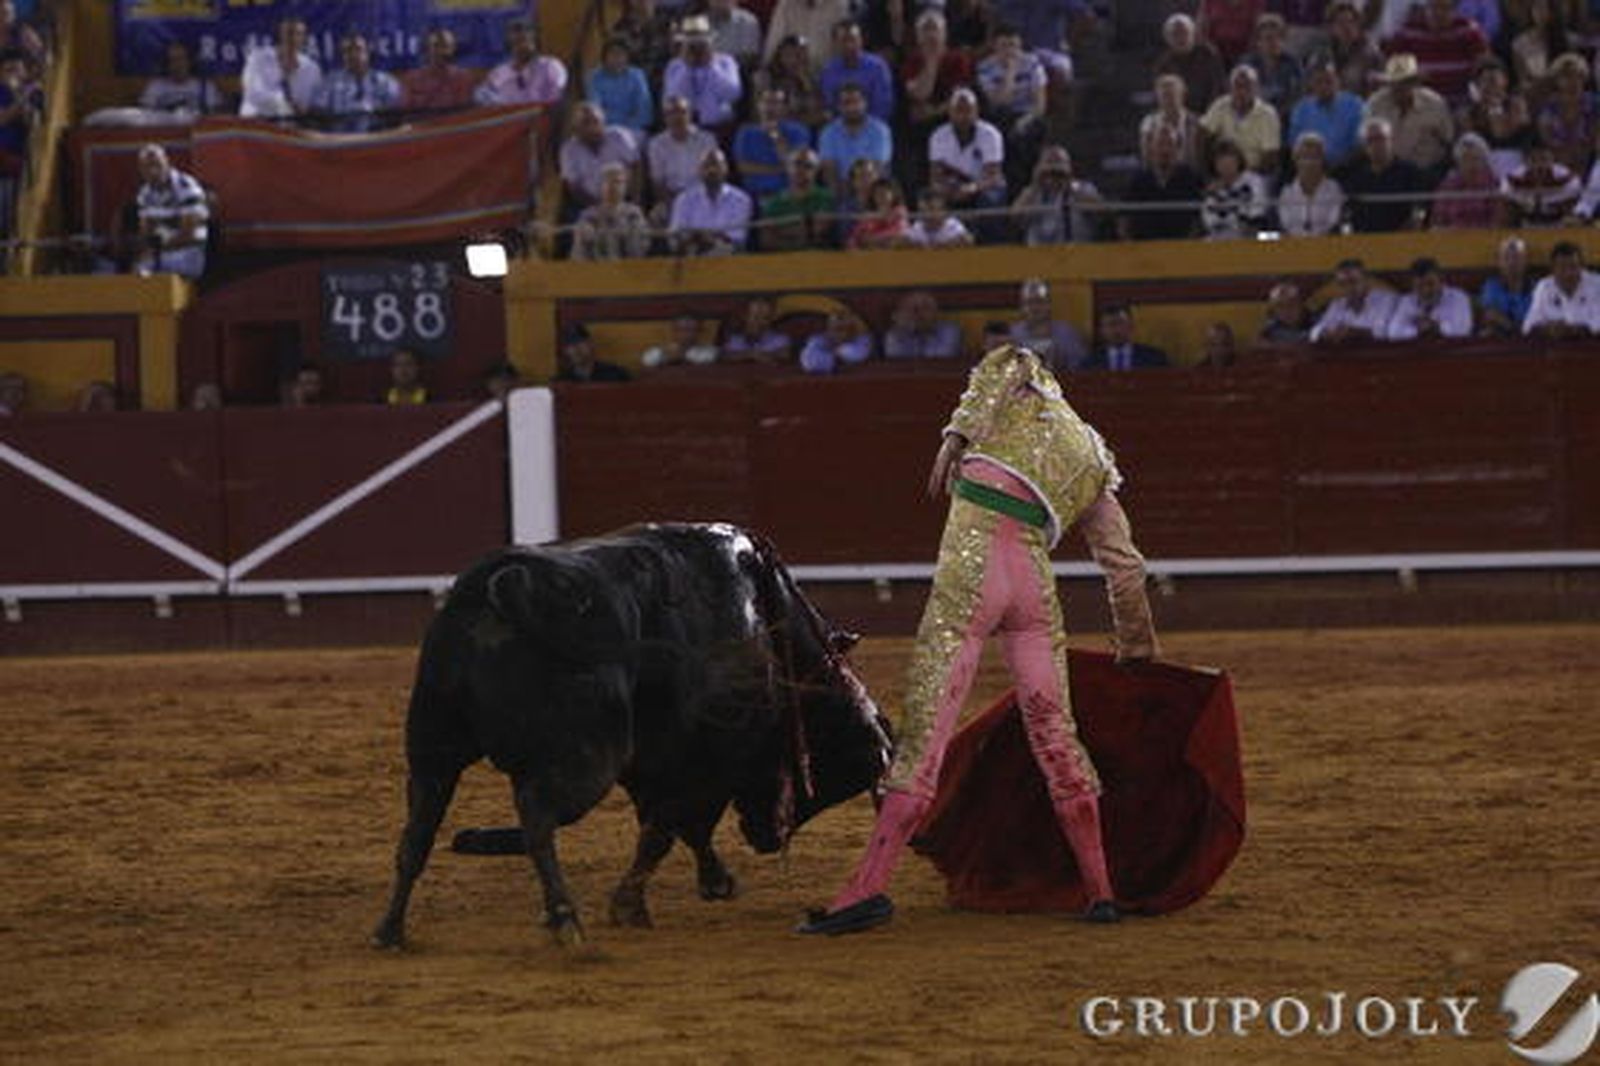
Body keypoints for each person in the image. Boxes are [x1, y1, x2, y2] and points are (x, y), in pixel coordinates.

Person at [797, 342, 1157, 935]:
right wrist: (1136, 645)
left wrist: (956, 435)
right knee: (1055, 734)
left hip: (973, 572)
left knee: (927, 736)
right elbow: (1126, 566)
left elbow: (1010, 357)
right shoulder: (1096, 459)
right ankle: (1100, 892)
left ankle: (865, 890)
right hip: (1035, 591)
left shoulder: (1025, 384)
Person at [1364, 53, 1454, 182]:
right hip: (1387, 173)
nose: (1399, 87)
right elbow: (1365, 141)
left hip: (1427, 173)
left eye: (1405, 82)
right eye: (1394, 82)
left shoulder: (1435, 104)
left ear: (1415, 83)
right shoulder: (1375, 105)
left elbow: (1448, 140)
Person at [133, 144, 208, 280]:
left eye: (157, 165)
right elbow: (146, 232)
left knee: (151, 272)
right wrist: (146, 251)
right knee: (138, 271)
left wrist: (155, 249)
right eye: (148, 166)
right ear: (141, 169)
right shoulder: (144, 193)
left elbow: (188, 234)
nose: (153, 171)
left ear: (167, 162)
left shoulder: (186, 186)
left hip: (188, 253)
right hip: (162, 251)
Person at [1118, 126, 1205, 241]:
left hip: (1182, 249)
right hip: (1144, 250)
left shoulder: (1190, 177)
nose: (1165, 150)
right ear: (1151, 147)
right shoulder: (1137, 180)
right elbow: (1123, 220)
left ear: (1178, 149)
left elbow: (1200, 219)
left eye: (1170, 144)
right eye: (1160, 144)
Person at [1341, 117, 1427, 232]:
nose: (1376, 144)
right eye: (1370, 140)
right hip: (1363, 243)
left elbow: (1420, 210)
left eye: (1380, 138)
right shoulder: (1356, 178)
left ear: (1391, 140)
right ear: (1364, 146)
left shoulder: (1410, 173)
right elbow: (1347, 214)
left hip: (1401, 242)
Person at [663, 15, 743, 133]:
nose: (697, 48)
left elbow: (733, 93)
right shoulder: (674, 66)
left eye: (701, 42)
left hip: (720, 124)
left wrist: (711, 65)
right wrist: (687, 67)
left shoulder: (726, 62)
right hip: (686, 125)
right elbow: (674, 97)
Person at [1199, 64, 1282, 176]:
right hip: (1223, 171)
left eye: (1247, 86)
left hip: (1256, 173)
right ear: (1230, 88)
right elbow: (1201, 134)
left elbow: (1270, 157)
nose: (1242, 91)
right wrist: (1206, 171)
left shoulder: (1268, 114)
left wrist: (1241, 177)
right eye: (1237, 86)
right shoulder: (1220, 105)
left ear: (1256, 88)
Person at [668, 148, 753, 254]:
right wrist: (703, 239)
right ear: (699, 170)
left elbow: (737, 239)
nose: (711, 170)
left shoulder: (741, 199)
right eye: (706, 165)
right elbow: (676, 237)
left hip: (728, 260)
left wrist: (703, 237)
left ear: (726, 169)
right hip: (692, 260)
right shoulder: (684, 200)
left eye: (716, 165)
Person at [1011, 145, 1101, 245]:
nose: (1053, 174)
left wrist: (1069, 184)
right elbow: (1015, 217)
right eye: (1049, 164)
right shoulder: (1032, 193)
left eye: (1058, 164)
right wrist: (1036, 183)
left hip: (1075, 253)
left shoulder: (1082, 188)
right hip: (1038, 254)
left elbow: (1099, 211)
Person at [647, 95, 719, 221]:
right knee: (656, 217)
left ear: (690, 114)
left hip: (703, 195)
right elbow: (658, 183)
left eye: (682, 112)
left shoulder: (707, 140)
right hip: (671, 197)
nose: (677, 117)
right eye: (671, 113)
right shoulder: (656, 144)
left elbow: (714, 174)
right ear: (665, 117)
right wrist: (678, 203)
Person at [1287, 53, 1363, 170]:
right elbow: (1295, 147)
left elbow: (1359, 146)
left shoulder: (1355, 105)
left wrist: (1338, 165)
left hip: (1348, 169)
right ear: (1311, 84)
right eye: (1318, 81)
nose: (1324, 86)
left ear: (1338, 81)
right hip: (1311, 170)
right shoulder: (1301, 109)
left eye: (1329, 81)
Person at [732, 87, 811, 199]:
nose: (770, 108)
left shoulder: (798, 131)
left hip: (788, 194)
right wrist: (780, 169)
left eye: (776, 103)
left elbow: (797, 167)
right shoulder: (745, 133)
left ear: (785, 107)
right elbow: (744, 168)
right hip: (755, 194)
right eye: (766, 102)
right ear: (758, 105)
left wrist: (776, 136)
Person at [560, 102, 640, 211]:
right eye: (585, 123)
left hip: (625, 202)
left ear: (603, 122)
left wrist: (634, 200)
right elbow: (574, 188)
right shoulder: (569, 150)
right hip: (590, 206)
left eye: (596, 122)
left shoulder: (619, 136)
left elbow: (637, 168)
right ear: (576, 128)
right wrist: (599, 208)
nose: (592, 128)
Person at [318, 32, 402, 133]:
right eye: (347, 51)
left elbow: (396, 117)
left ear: (368, 52)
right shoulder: (329, 82)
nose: (353, 55)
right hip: (340, 142)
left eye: (358, 49)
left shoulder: (386, 82)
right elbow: (318, 116)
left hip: (378, 141)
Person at [240, 17, 322, 119]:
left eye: (299, 34)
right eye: (288, 33)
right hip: (257, 123)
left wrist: (308, 110)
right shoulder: (257, 59)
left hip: (294, 127)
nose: (293, 39)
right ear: (279, 35)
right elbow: (254, 95)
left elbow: (315, 103)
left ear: (304, 38)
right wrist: (287, 106)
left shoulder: (312, 68)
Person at [475, 19, 567, 106]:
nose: (523, 46)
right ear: (509, 45)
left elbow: (559, 95)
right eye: (517, 42)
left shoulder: (550, 66)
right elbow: (482, 95)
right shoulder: (499, 73)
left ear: (535, 41)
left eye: (527, 41)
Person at [817, 82, 892, 188]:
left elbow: (879, 168)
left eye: (856, 102)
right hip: (841, 190)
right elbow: (829, 172)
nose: (852, 107)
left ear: (865, 103)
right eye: (846, 103)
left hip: (873, 189)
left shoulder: (880, 130)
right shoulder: (828, 132)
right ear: (838, 106)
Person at [572, 162, 651, 261]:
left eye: (617, 182)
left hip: (627, 270)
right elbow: (579, 255)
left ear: (625, 186)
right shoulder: (589, 216)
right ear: (600, 186)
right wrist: (587, 238)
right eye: (607, 182)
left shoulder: (634, 214)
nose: (612, 186)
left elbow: (640, 249)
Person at [760, 147, 835, 251]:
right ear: (787, 167)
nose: (801, 170)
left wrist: (784, 230)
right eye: (797, 164)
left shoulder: (826, 197)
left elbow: (817, 233)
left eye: (808, 166)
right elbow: (767, 241)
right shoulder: (774, 202)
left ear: (817, 170)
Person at [1522, 241, 1600, 338]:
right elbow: (1528, 327)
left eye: (1573, 266)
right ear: (1553, 269)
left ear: (1582, 267)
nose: (1568, 273)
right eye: (1562, 267)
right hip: (1554, 348)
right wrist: (1548, 329)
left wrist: (1573, 330)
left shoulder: (1596, 284)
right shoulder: (1544, 287)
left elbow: (1597, 324)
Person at [820, 19, 894, 120]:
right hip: (840, 127)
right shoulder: (828, 71)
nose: (849, 45)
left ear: (861, 40)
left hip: (873, 126)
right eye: (844, 40)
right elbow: (830, 106)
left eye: (853, 40)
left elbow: (883, 107)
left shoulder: (877, 67)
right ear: (835, 43)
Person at [1310, 257, 1398, 343]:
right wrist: (1324, 333)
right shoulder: (1337, 304)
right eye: (1342, 284)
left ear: (1367, 281)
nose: (1349, 288)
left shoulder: (1386, 299)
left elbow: (1384, 332)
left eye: (1353, 281)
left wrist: (1354, 333)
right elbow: (1314, 332)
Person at [1383, 256, 1473, 340]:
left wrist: (1436, 328)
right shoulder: (1406, 301)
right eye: (1419, 286)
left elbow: (1463, 330)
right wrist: (1417, 331)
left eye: (1431, 284)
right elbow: (1393, 332)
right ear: (1412, 285)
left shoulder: (1458, 298)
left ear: (1441, 281)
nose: (1426, 290)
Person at [1009, 277, 1088, 371]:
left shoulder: (1067, 333)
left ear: (1049, 304)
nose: (1035, 308)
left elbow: (1081, 368)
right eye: (1029, 303)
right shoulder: (1012, 334)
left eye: (1040, 302)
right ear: (1022, 307)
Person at [1276, 131, 1345, 236]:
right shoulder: (1287, 192)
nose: (1310, 163)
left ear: (1323, 160)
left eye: (1315, 157)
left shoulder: (1334, 189)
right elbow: (1285, 226)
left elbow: (1333, 224)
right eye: (1305, 157)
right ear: (1296, 160)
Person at [1155, 14, 1227, 112]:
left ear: (1193, 34)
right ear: (1168, 39)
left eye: (1184, 33)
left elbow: (1219, 87)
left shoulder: (1208, 53)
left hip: (1212, 111)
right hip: (1181, 116)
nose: (1180, 38)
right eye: (1175, 34)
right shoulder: (1164, 64)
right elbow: (1164, 97)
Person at [1430, 132, 1504, 228]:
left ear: (1484, 161)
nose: (1471, 164)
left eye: (1476, 159)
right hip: (1452, 238)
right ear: (1458, 162)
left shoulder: (1494, 184)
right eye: (1466, 159)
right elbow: (1437, 220)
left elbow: (1498, 222)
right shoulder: (1447, 186)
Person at [1200, 140, 1268, 239]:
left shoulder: (1254, 181)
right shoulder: (1212, 191)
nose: (1226, 164)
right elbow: (1210, 222)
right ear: (1214, 165)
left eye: (1230, 159)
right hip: (1223, 236)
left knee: (1275, 237)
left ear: (1239, 160)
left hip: (1255, 233)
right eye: (1221, 160)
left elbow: (1258, 214)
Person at [402, 28, 480, 114]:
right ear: (427, 49)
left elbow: (463, 113)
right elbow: (405, 113)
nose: (440, 51)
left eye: (445, 46)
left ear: (453, 49)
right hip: (420, 125)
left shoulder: (464, 78)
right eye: (436, 46)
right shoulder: (412, 79)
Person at [586, 37, 654, 135]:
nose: (616, 57)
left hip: (633, 130)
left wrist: (625, 128)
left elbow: (644, 111)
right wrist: (612, 127)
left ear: (627, 57)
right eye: (612, 53)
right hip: (603, 129)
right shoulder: (595, 77)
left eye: (621, 54)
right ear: (604, 57)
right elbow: (595, 109)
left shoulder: (637, 76)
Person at [1139, 73, 1205, 173]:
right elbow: (1146, 158)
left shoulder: (1198, 123)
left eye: (1172, 94)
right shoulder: (1149, 123)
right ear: (1158, 97)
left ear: (1182, 94)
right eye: (1164, 95)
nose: (1168, 100)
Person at [140, 40, 224, 117]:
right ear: (167, 64)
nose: (178, 65)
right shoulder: (155, 86)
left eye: (181, 59)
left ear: (189, 62)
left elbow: (214, 115)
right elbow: (146, 115)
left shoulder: (205, 86)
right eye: (173, 60)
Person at [1083, 304, 1171, 370]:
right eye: (1110, 325)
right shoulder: (1090, 363)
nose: (1117, 330)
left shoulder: (1154, 359)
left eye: (1121, 323)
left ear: (1131, 326)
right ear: (1102, 330)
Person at [1477, 235, 1534, 337]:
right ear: (1499, 262)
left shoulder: (1535, 288)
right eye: (1506, 257)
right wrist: (1516, 328)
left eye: (1517, 257)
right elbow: (1491, 315)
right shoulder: (1491, 286)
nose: (1512, 263)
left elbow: (1535, 320)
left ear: (1526, 261)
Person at [883, 291, 963, 359]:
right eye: (912, 308)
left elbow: (941, 359)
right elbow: (898, 361)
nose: (919, 313)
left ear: (936, 312)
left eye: (926, 308)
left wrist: (922, 332)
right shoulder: (894, 336)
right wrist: (905, 330)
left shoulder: (950, 331)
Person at [799, 308, 872, 373]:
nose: (841, 333)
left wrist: (834, 353)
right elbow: (808, 362)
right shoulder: (818, 340)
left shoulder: (863, 340)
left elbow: (858, 354)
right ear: (828, 328)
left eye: (846, 328)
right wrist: (834, 356)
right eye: (837, 328)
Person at [846, 177, 911, 249]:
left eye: (884, 192)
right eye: (877, 193)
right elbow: (854, 237)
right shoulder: (867, 216)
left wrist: (871, 239)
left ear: (893, 194)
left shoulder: (900, 211)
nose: (880, 196)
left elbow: (898, 233)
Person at [723, 298, 792, 362]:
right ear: (745, 317)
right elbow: (724, 356)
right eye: (755, 317)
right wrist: (749, 354)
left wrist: (769, 356)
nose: (760, 322)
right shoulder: (735, 339)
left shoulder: (780, 339)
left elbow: (785, 356)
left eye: (765, 318)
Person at [555, 324, 632, 382]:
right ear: (566, 351)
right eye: (570, 345)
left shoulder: (616, 374)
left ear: (591, 344)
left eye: (580, 342)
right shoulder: (562, 381)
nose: (576, 349)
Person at [641, 314, 720, 367]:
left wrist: (679, 355)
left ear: (699, 331)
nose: (685, 334)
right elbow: (647, 360)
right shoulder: (663, 350)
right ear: (674, 331)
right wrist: (667, 352)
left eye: (689, 330)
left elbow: (706, 358)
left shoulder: (709, 350)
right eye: (681, 329)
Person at [904, 188, 974, 248]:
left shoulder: (953, 226)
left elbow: (969, 240)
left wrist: (948, 245)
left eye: (931, 209)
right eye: (922, 210)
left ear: (944, 211)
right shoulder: (917, 227)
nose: (927, 215)